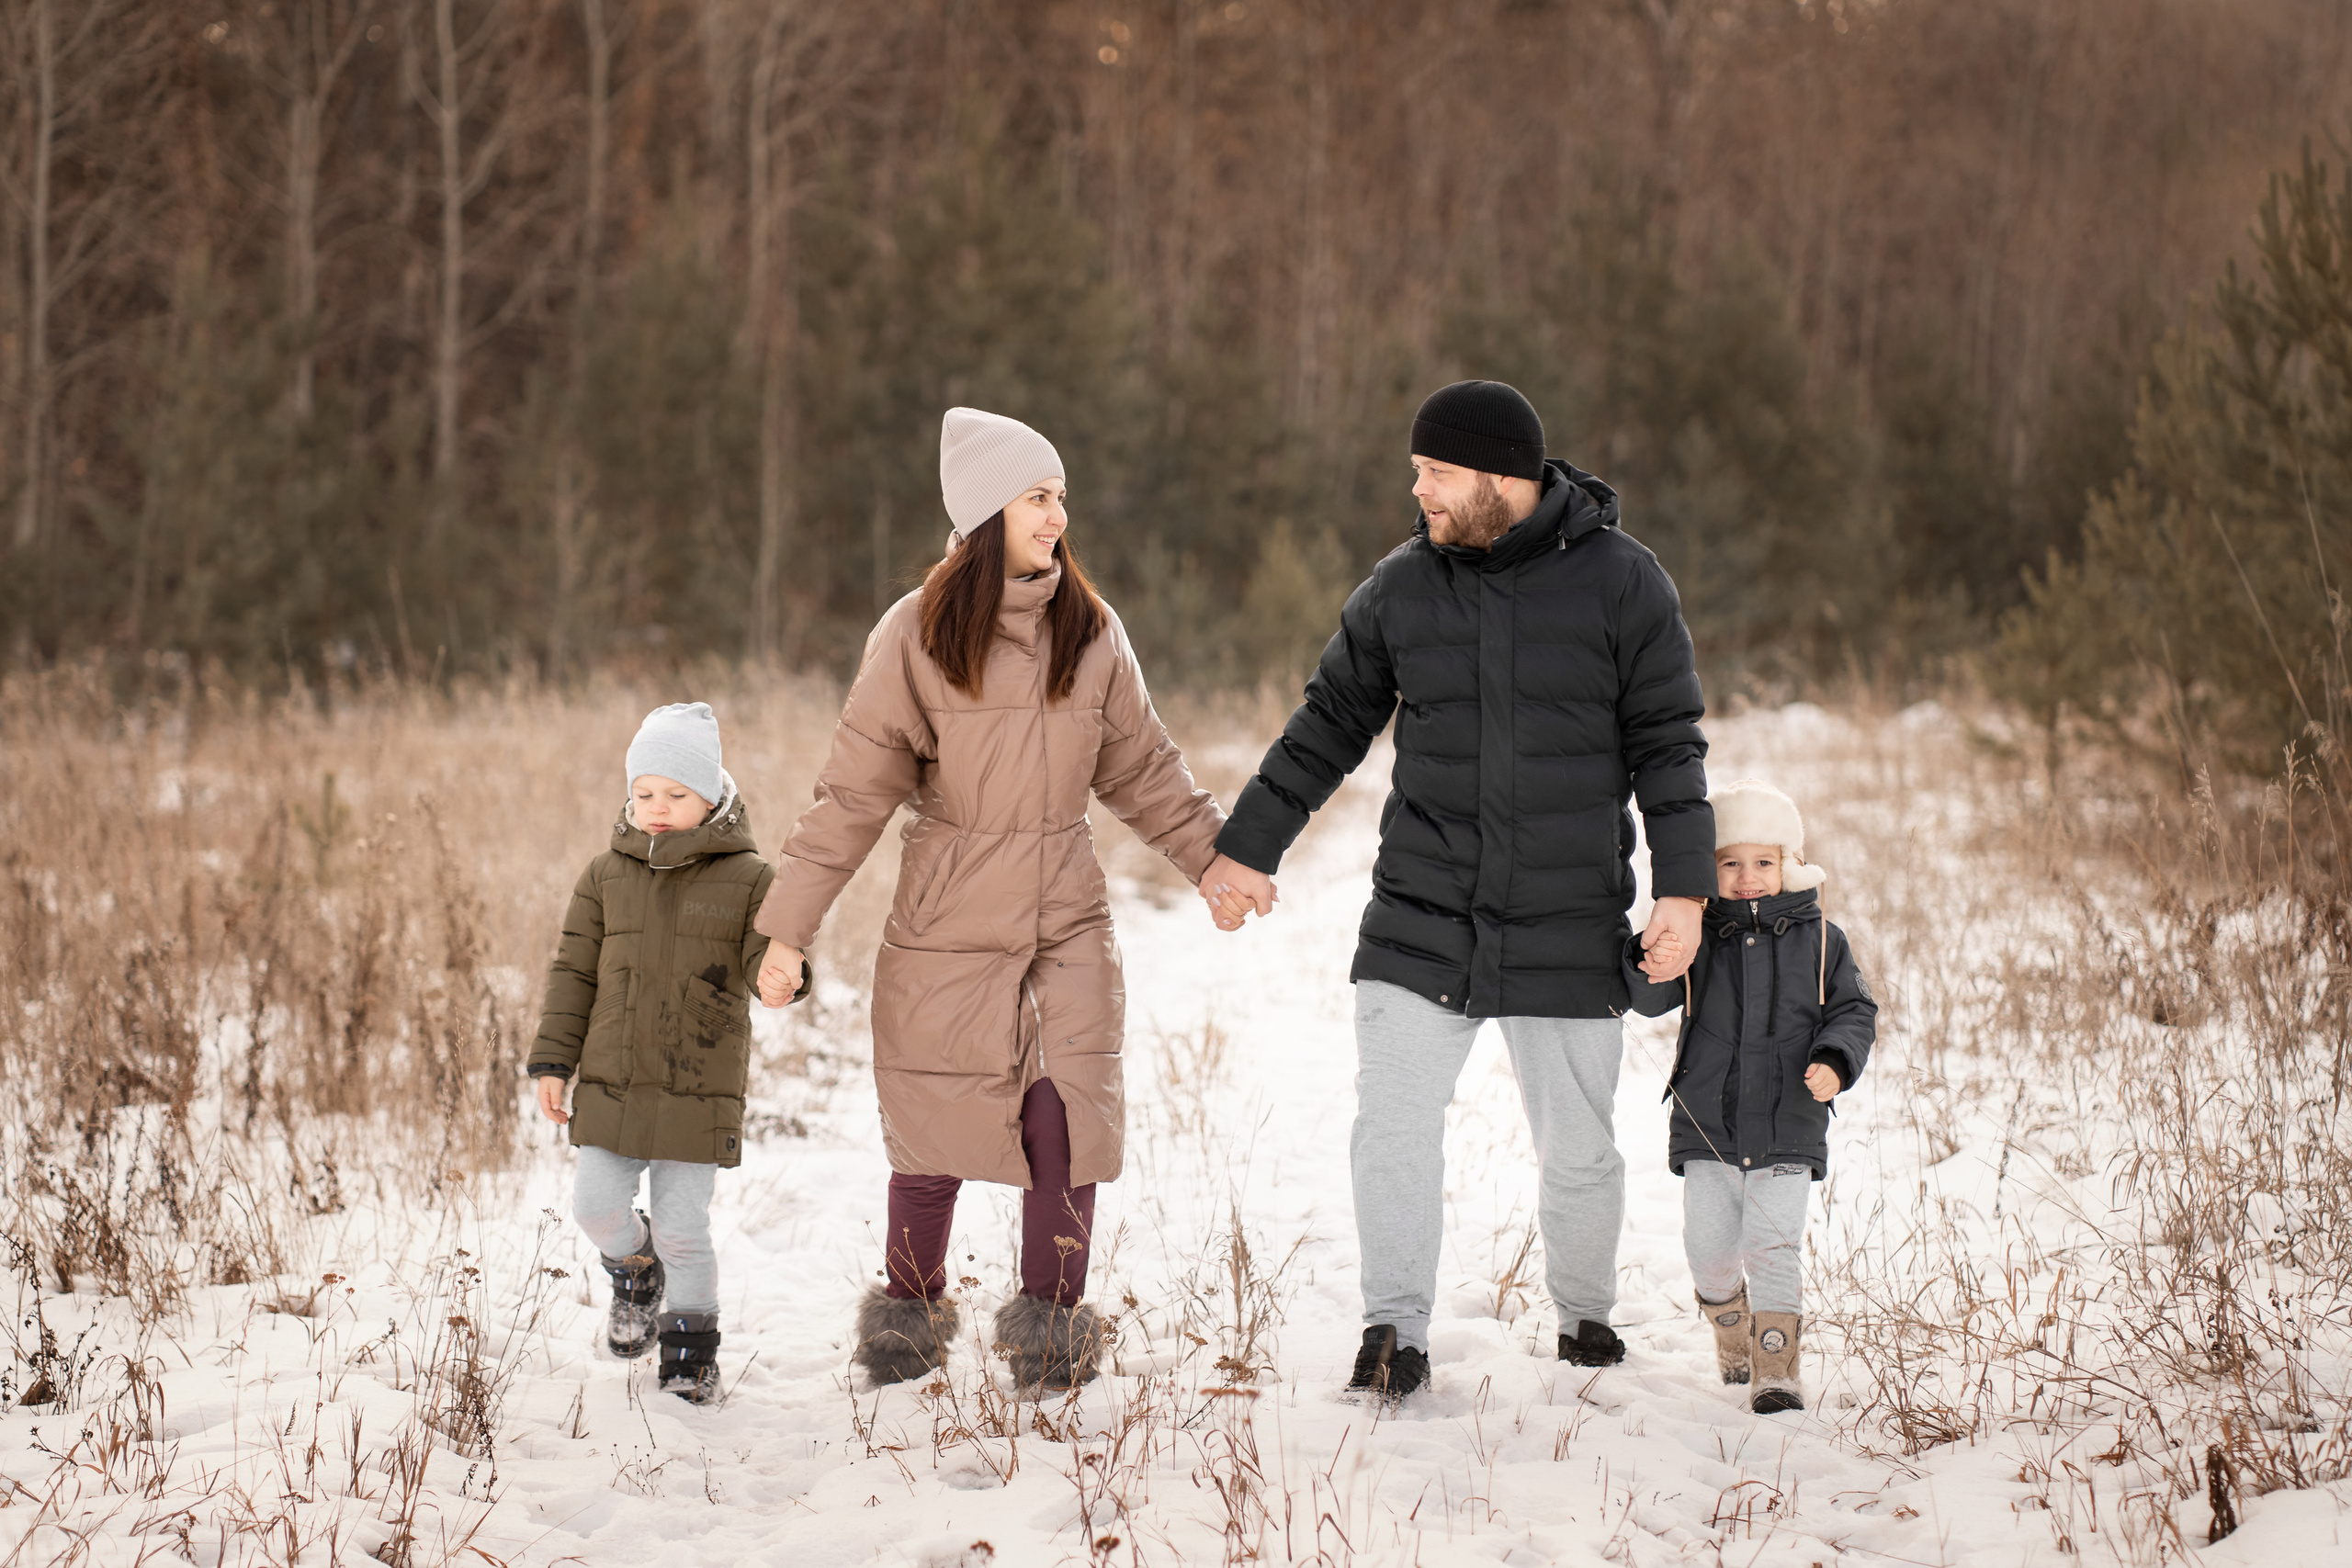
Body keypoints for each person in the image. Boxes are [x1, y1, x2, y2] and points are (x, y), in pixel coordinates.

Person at [1200, 379, 1713, 1404]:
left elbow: (1668, 746)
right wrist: (1246, 849)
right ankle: (1394, 1330)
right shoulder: (1401, 587)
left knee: (1579, 1151)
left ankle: (1584, 1320)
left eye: (1434, 471)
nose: (1418, 490)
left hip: (1568, 918)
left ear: (1498, 476)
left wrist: (1684, 891)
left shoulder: (1625, 584)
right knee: (1389, 1126)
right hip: (1422, 915)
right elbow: (1325, 727)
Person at [752, 408, 1232, 1392]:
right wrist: (784, 932)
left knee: (1065, 1130)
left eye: (1060, 496)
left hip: (1065, 916)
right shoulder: (913, 635)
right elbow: (851, 799)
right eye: (1038, 497)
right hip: (946, 922)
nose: (1059, 516)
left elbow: (1143, 769)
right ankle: (904, 1328)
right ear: (985, 514)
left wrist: (1215, 862)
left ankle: (1052, 1345)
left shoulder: (1089, 631)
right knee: (933, 1137)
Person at [526, 702, 803, 1405]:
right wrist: (553, 1061)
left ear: (712, 795)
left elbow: (764, 961)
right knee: (593, 1205)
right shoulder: (603, 875)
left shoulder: (749, 878)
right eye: (644, 792)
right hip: (614, 1080)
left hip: (696, 1084)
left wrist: (780, 976)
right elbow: (573, 974)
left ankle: (690, 1347)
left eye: (676, 795)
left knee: (684, 1229)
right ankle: (634, 1269)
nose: (657, 807)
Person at [1623, 779, 1876, 1414]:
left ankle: (1776, 1369)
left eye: (1763, 861)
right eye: (1730, 863)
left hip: (1789, 1120)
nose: (1748, 877)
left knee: (1773, 1247)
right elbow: (1650, 993)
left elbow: (1854, 1009)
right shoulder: (1700, 933)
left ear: (1788, 863)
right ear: (1710, 870)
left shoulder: (1824, 941)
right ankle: (1729, 1323)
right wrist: (1648, 952)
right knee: (1709, 1251)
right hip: (1707, 1122)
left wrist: (1834, 1062)